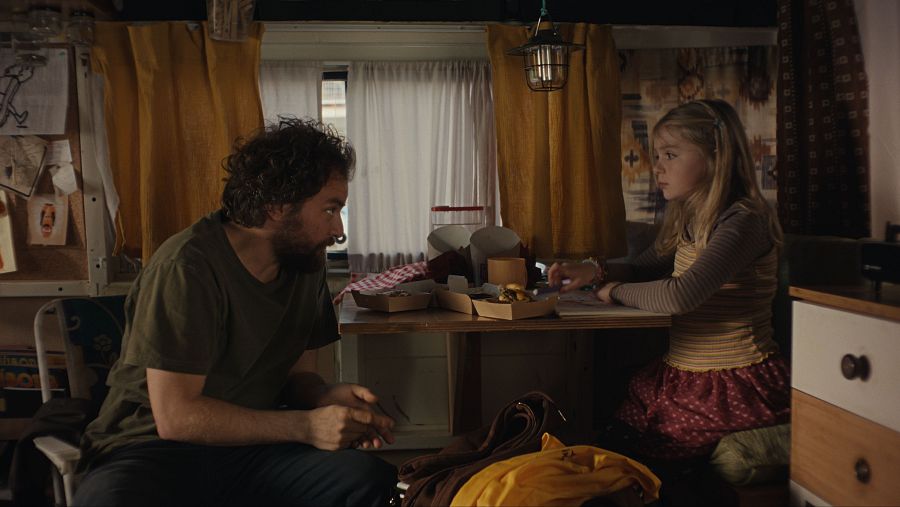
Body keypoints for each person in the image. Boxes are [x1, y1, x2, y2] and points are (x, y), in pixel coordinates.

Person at [74, 118, 398, 506]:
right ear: (277, 205)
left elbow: (300, 377)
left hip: (252, 447)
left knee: (366, 479)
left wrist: (325, 397)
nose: (339, 229)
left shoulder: (306, 264)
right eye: (330, 209)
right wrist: (306, 426)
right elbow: (176, 417)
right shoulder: (187, 268)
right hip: (153, 448)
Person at [548, 99, 790, 460]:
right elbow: (642, 269)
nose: (657, 167)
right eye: (657, 156)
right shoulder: (690, 218)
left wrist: (614, 292)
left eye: (671, 155)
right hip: (683, 373)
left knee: (644, 458)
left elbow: (680, 296)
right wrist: (594, 271)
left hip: (734, 380)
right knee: (611, 443)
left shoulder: (745, 221)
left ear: (716, 156)